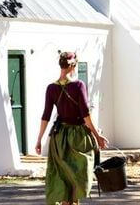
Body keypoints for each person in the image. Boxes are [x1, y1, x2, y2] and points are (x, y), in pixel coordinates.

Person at [36, 51, 108, 205]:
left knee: (63, 177)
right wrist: (97, 136)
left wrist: (39, 139)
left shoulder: (51, 88)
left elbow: (46, 116)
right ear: (73, 66)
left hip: (59, 138)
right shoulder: (78, 85)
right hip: (77, 137)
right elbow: (85, 115)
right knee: (77, 175)